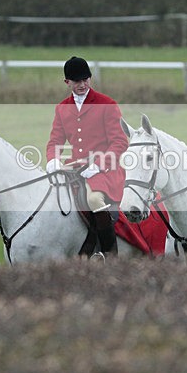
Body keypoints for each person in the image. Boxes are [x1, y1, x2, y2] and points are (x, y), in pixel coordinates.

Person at [46, 56, 128, 257]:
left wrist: (99, 164)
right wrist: (53, 160)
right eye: (77, 81)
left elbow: (120, 142)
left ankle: (109, 253)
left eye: (85, 80)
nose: (82, 85)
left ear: (90, 79)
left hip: (105, 171)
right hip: (74, 169)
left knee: (94, 199)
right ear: (67, 82)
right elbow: (55, 140)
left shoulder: (107, 104)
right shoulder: (62, 108)